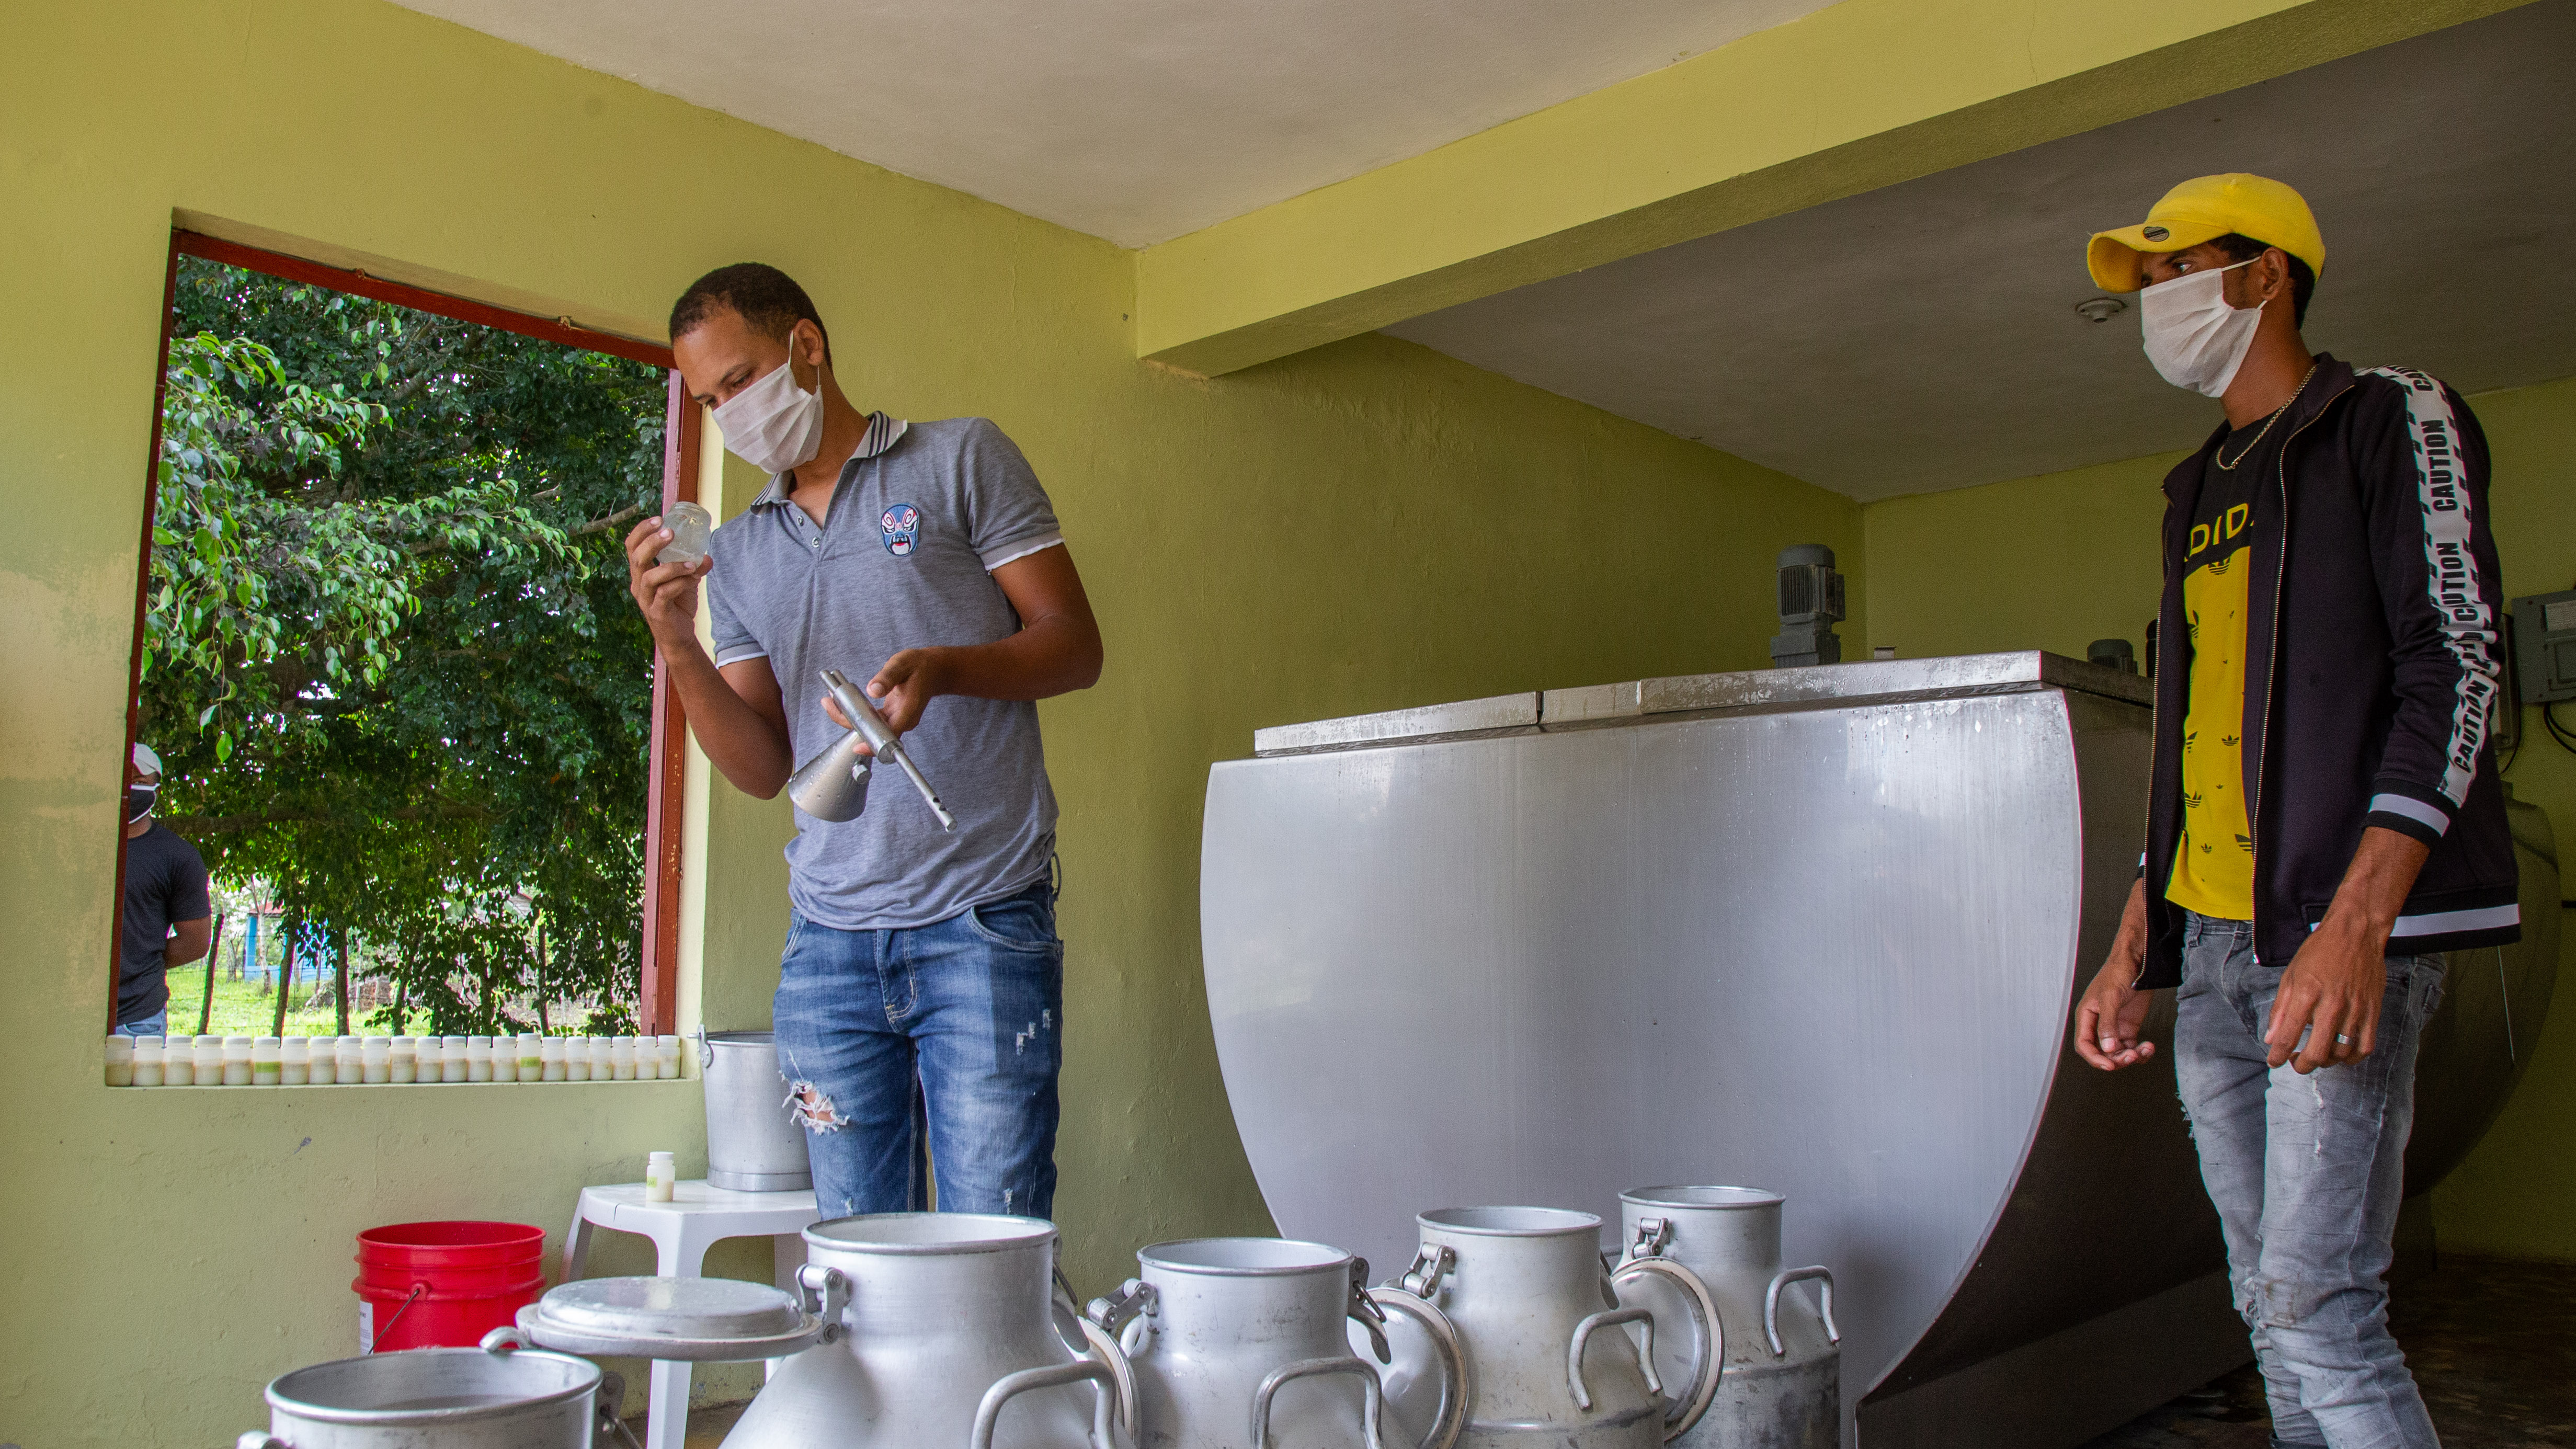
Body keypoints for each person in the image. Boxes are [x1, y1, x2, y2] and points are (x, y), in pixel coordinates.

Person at [2071, 175, 2515, 1449]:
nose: (2156, 302)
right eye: (2145, 283)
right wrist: (2136, 937)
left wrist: (2356, 923)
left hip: (2328, 936)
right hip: (2212, 951)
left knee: (2322, 1310)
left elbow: (2457, 662)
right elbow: (2200, 735)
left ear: (2264, 273)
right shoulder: (2194, 486)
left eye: (2176, 269)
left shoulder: (2384, 415)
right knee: (2267, 1309)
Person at [625, 264, 1103, 1219]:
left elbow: (1074, 646)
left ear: (806, 346)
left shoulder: (959, 458)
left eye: (740, 380)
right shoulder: (739, 552)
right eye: (710, 401)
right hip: (828, 945)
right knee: (854, 1256)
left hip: (980, 919)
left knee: (990, 1249)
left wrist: (945, 668)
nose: (731, 414)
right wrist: (674, 642)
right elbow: (763, 767)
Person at [117, 742, 213, 1036]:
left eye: (138, 781)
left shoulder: (178, 857)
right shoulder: (79, 847)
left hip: (138, 1019)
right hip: (69, 1012)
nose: (129, 788)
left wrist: (141, 964)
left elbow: (195, 942)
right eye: (122, 779)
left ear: (156, 788)